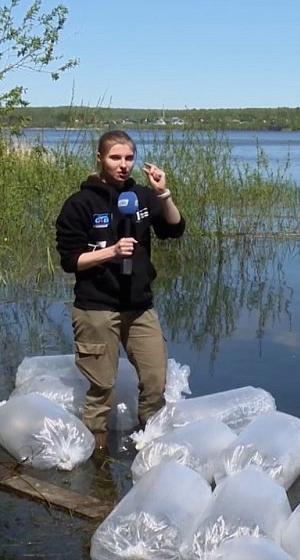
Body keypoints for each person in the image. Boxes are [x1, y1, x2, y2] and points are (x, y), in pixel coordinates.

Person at [55, 130, 186, 452]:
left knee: (156, 382)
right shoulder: (80, 204)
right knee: (102, 389)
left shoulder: (142, 197)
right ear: (100, 158)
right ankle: (97, 460)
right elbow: (71, 261)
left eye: (129, 158)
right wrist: (111, 252)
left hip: (139, 306)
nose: (123, 165)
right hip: (96, 307)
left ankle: (150, 448)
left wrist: (163, 193)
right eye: (115, 157)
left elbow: (174, 229)